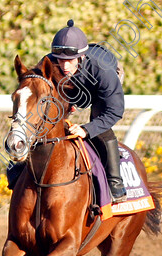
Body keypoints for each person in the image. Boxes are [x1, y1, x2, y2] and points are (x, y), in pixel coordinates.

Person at [49, 19, 127, 203]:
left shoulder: (104, 71)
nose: (64, 66)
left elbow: (115, 111)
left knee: (99, 119)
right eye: (60, 60)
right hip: (77, 83)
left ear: (81, 57)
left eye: (69, 60)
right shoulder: (51, 62)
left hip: (105, 79)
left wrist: (86, 130)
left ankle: (115, 182)